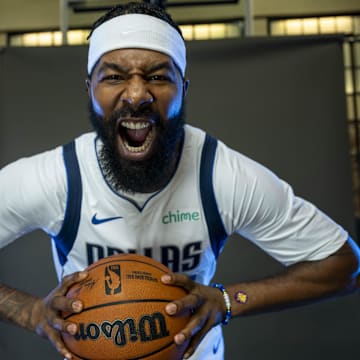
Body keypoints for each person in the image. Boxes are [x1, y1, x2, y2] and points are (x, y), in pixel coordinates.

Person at [0, 1, 359, 359]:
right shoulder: (59, 178)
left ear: (183, 88)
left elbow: (346, 266)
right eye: (114, 76)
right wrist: (29, 311)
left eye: (158, 76)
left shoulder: (220, 176)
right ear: (90, 89)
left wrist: (227, 300)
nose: (138, 95)